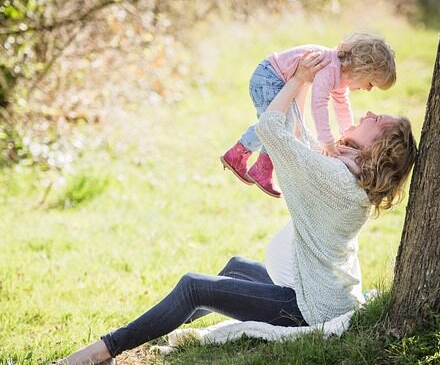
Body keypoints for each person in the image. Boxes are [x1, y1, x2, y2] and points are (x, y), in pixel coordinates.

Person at [58, 52, 416, 365]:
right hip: (320, 294)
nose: (369, 111)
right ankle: (149, 329)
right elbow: (303, 144)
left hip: (307, 311)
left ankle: (104, 350)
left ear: (378, 148)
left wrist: (296, 80)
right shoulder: (348, 175)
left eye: (378, 120)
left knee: (194, 287)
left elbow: (272, 129)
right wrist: (305, 85)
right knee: (234, 269)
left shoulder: (335, 179)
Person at [221, 33, 396, 198]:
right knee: (277, 124)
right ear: (362, 69)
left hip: (273, 78)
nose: (368, 89)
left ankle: (252, 162)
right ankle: (252, 162)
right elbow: (318, 104)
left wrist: (347, 133)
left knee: (279, 125)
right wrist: (327, 141)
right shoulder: (330, 67)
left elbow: (342, 106)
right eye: (371, 83)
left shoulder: (341, 75)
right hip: (269, 77)